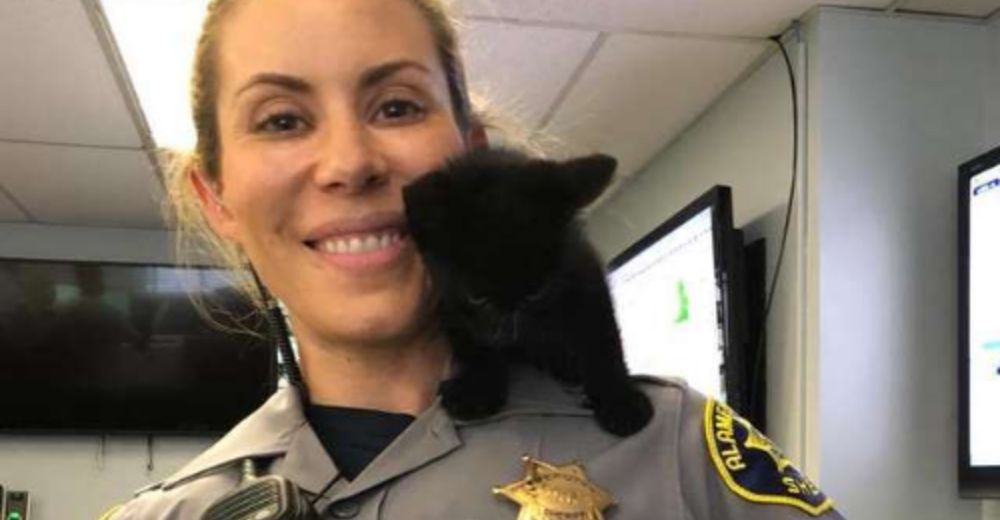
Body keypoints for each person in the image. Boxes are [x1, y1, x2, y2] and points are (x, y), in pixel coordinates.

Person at [102, 0, 846, 518]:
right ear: (217, 195)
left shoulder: (678, 452)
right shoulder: (174, 513)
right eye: (282, 120)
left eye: (396, 106)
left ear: (472, 153)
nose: (349, 162)